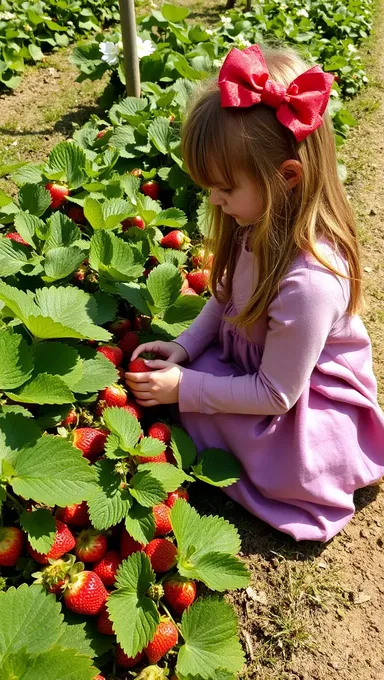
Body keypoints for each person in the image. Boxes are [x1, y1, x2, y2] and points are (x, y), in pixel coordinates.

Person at [125, 44, 384, 542]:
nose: (214, 201)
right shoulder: (257, 220)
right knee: (193, 391)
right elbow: (223, 299)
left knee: (198, 410)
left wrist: (185, 386)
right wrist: (186, 346)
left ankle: (312, 467)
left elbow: (277, 394)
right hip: (265, 371)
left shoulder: (309, 281)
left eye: (223, 188)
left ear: (286, 178)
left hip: (300, 405)